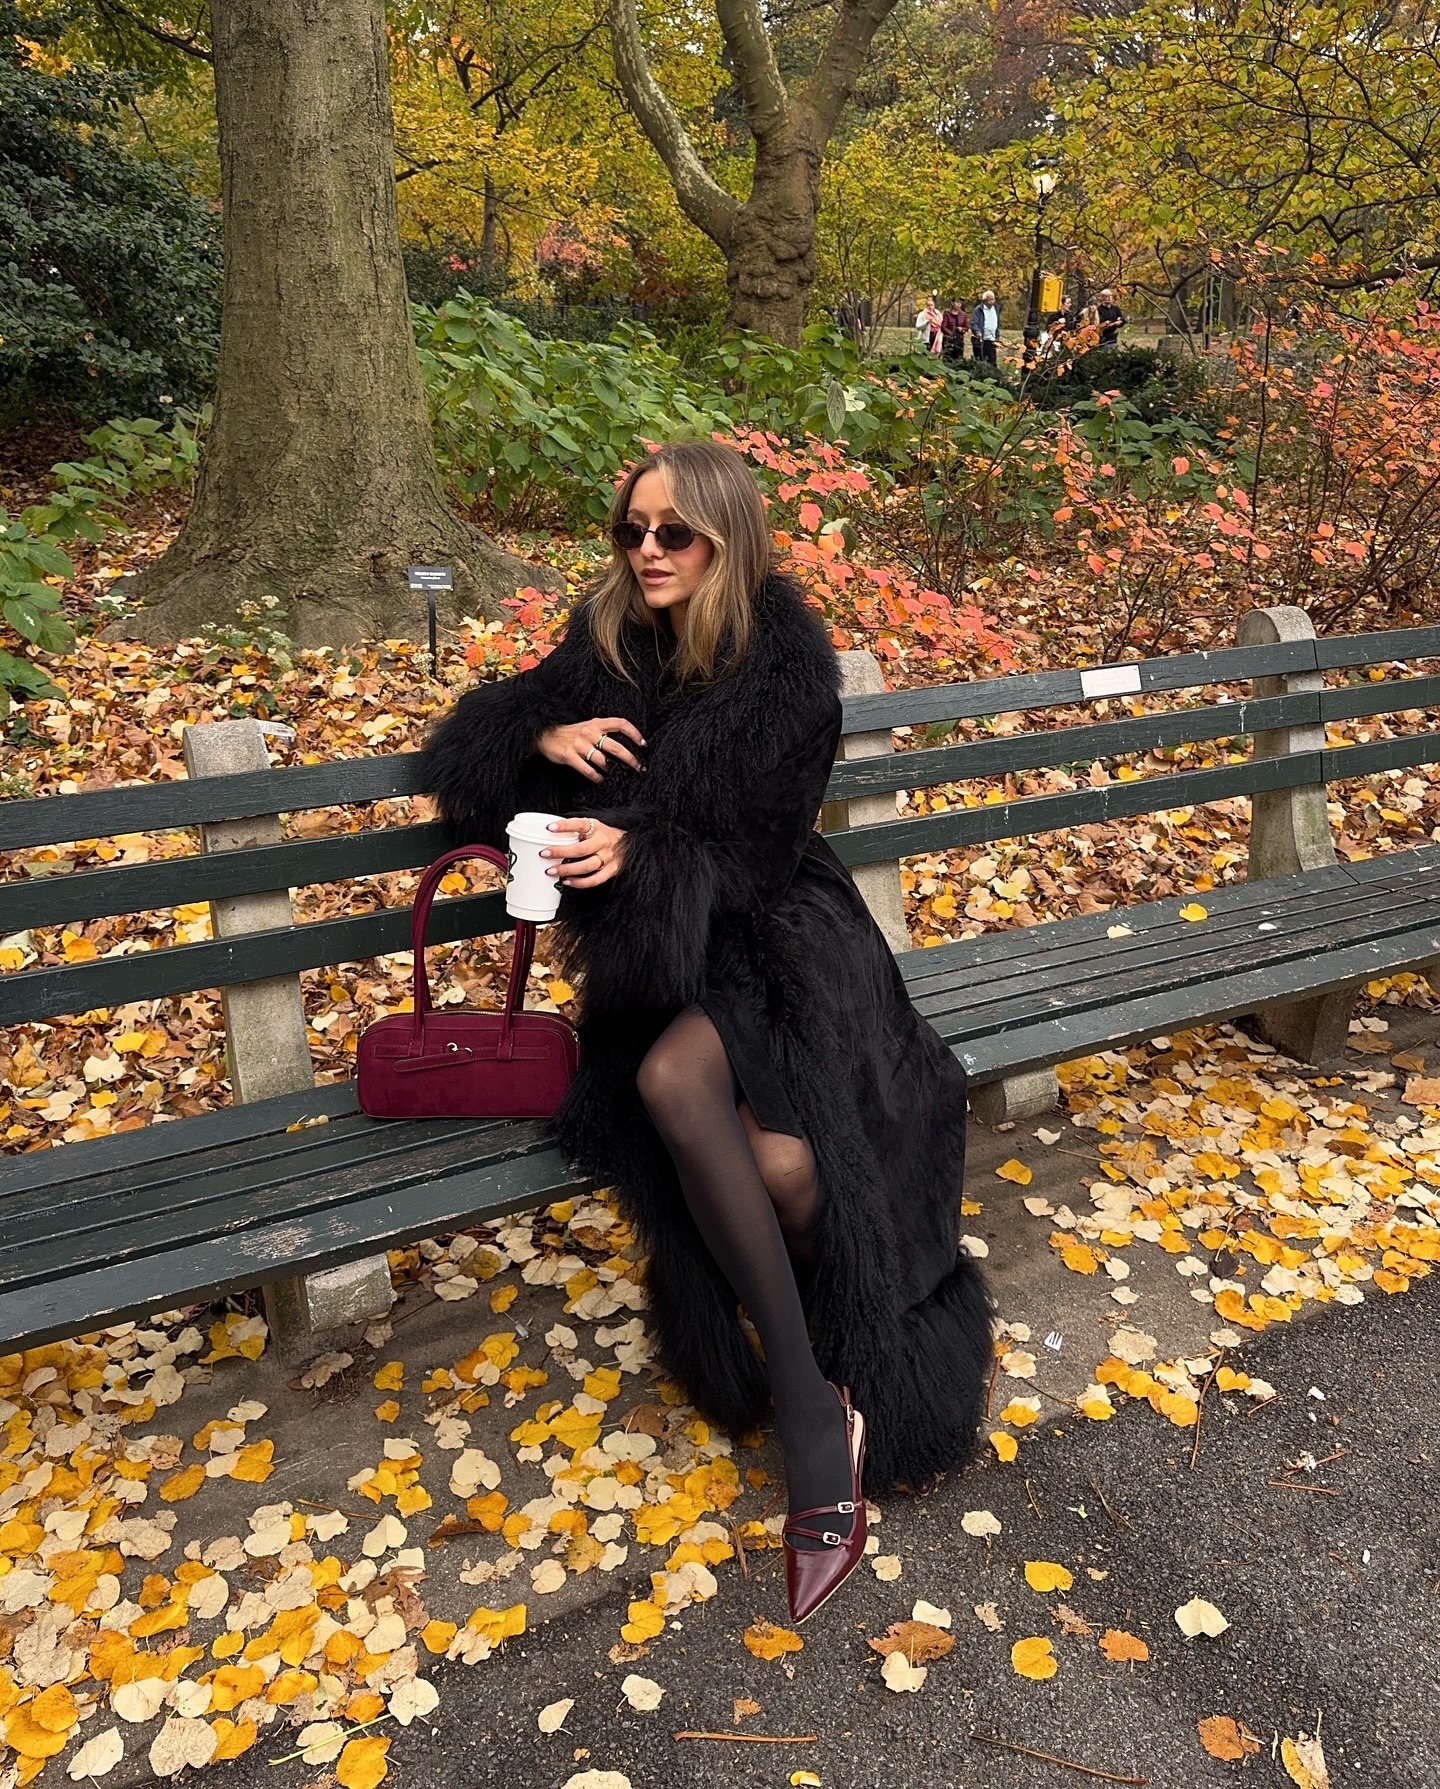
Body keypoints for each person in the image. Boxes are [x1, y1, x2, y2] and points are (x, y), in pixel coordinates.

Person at [427, 439, 990, 1626]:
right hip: (660, 952)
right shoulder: (610, 638)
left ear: (726, 538)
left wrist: (641, 849)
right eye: (633, 529)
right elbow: (471, 747)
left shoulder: (790, 668)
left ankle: (803, 1396)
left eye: (673, 534)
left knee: (730, 1117)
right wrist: (538, 739)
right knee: (757, 1147)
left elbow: (763, 848)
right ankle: (812, 1400)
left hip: (783, 937)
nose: (647, 552)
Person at [970, 290, 1000, 365]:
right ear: (984, 301)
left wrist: (997, 336)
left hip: (992, 340)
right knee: (981, 362)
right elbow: (974, 323)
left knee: (992, 362)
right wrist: (977, 332)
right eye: (989, 300)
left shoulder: (995, 308)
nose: (991, 302)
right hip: (981, 340)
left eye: (993, 299)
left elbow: (997, 322)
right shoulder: (978, 310)